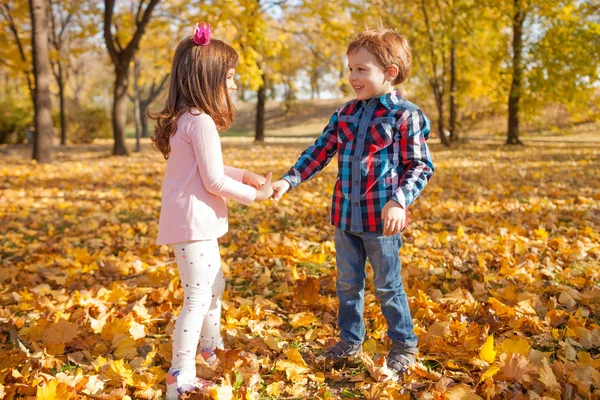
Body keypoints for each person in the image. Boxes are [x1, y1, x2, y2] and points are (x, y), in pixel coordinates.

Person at [271, 27, 434, 379]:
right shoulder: (345, 113)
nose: (352, 77)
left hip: (382, 220)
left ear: (389, 72)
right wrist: (289, 179)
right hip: (345, 217)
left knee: (388, 286)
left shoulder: (406, 115)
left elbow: (420, 166)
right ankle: (350, 341)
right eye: (349, 68)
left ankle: (404, 346)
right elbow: (320, 151)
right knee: (348, 284)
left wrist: (399, 201)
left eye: (362, 69)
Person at [148, 22, 273, 399]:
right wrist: (257, 196)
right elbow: (215, 181)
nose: (234, 85)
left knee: (213, 286)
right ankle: (180, 374)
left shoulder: (189, 119)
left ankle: (211, 347)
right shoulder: (199, 121)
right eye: (230, 78)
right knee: (198, 296)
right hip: (193, 224)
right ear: (207, 79)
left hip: (195, 222)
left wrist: (246, 174)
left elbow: (209, 169)